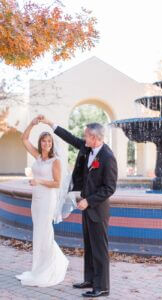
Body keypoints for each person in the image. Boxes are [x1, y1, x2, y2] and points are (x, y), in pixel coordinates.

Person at [39, 115, 118, 298]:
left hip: (97, 209)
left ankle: (102, 287)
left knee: (99, 248)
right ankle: (90, 280)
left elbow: (109, 188)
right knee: (89, 246)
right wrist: (51, 123)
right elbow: (70, 138)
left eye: (86, 136)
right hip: (86, 207)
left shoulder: (108, 157)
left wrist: (89, 201)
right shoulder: (87, 148)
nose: (83, 139)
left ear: (95, 138)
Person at [15, 117, 69, 287]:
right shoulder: (38, 157)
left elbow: (57, 183)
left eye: (49, 141)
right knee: (38, 233)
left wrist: (39, 182)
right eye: (44, 141)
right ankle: (38, 267)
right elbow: (24, 139)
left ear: (52, 144)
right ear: (40, 143)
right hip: (36, 199)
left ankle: (51, 266)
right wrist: (31, 124)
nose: (46, 143)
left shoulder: (56, 161)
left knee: (45, 231)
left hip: (47, 199)